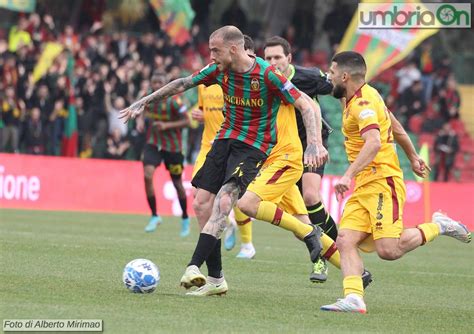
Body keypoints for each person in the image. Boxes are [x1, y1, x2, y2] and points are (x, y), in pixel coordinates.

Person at [119, 26, 328, 296]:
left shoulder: (267, 75)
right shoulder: (219, 70)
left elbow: (305, 105)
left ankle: (194, 266)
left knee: (226, 201)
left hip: (253, 148)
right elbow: (183, 83)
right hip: (224, 141)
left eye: (215, 50)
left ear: (233, 49)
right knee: (201, 204)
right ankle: (216, 280)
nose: (211, 55)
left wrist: (314, 142)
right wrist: (144, 101)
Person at [320, 51, 471, 314]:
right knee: (344, 239)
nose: (328, 77)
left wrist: (346, 176)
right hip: (365, 183)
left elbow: (374, 142)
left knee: (389, 250)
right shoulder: (364, 95)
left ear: (344, 76)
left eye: (332, 73)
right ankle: (354, 297)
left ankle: (438, 226)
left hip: (382, 182)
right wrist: (413, 156)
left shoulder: (362, 104)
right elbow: (396, 125)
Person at [263, 36, 338, 281]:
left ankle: (336, 241)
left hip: (312, 144)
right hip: (284, 150)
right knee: (299, 222)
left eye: (277, 57)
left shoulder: (309, 77)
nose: (273, 62)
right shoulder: (263, 80)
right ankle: (321, 258)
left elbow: (340, 88)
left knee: (310, 195)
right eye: (268, 58)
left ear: (289, 58)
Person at [191, 34, 256, 259]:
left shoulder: (231, 82)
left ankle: (247, 244)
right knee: (198, 197)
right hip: (207, 145)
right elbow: (199, 113)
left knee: (231, 195)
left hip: (231, 145)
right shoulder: (205, 84)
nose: (212, 57)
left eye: (216, 52)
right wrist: (196, 117)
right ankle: (225, 226)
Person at [137, 73, 191, 237]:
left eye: (159, 82)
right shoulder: (148, 98)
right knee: (147, 175)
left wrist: (166, 125)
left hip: (173, 147)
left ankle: (185, 218)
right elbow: (141, 109)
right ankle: (154, 216)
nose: (156, 86)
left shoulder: (175, 101)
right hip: (153, 143)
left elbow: (187, 122)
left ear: (166, 84)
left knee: (177, 184)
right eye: (154, 82)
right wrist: (140, 119)